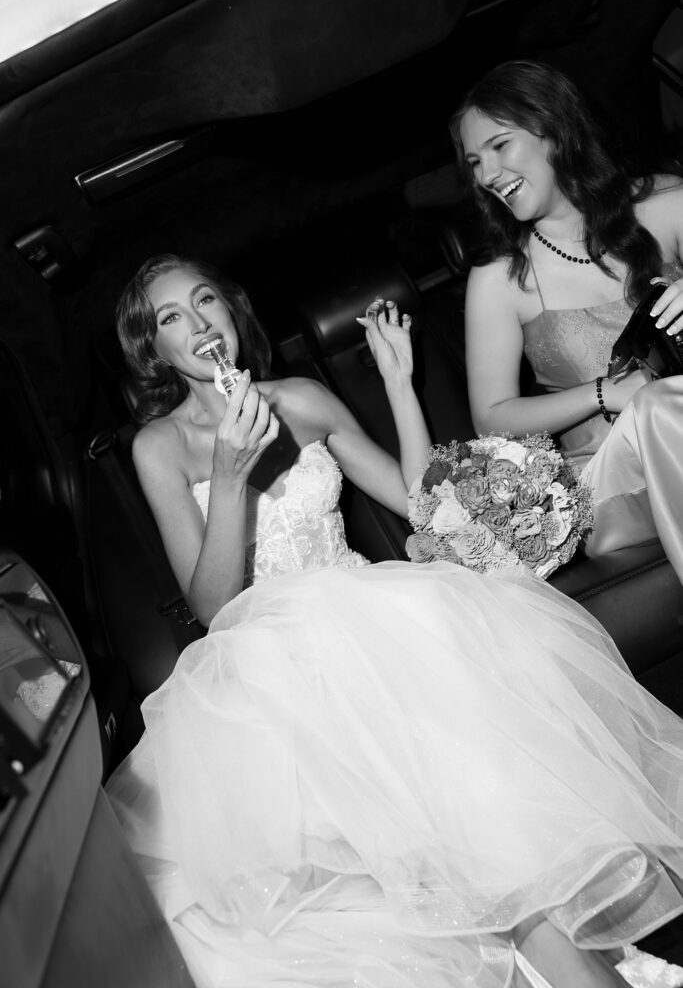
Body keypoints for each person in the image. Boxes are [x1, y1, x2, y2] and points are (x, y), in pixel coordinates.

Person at [107, 253, 683, 988]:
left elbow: (417, 504)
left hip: (372, 623)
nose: (197, 324)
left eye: (206, 301)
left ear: (230, 312)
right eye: (170, 318)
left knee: (473, 808)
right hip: (268, 666)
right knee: (420, 834)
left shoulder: (304, 399)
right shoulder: (158, 447)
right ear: (153, 348)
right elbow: (213, 607)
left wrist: (396, 383)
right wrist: (227, 475)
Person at [450, 58, 683, 581]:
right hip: (614, 489)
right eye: (473, 164)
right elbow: (491, 417)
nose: (486, 175)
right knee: (651, 406)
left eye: (498, 146)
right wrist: (605, 394)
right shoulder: (500, 279)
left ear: (553, 131)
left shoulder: (667, 204)